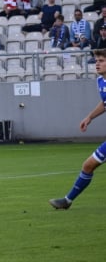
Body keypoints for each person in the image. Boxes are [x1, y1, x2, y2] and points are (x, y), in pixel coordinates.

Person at [50, 49, 106, 209]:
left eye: (101, 60)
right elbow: (104, 103)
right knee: (88, 165)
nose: (97, 64)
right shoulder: (100, 81)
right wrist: (89, 117)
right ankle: (67, 201)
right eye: (96, 61)